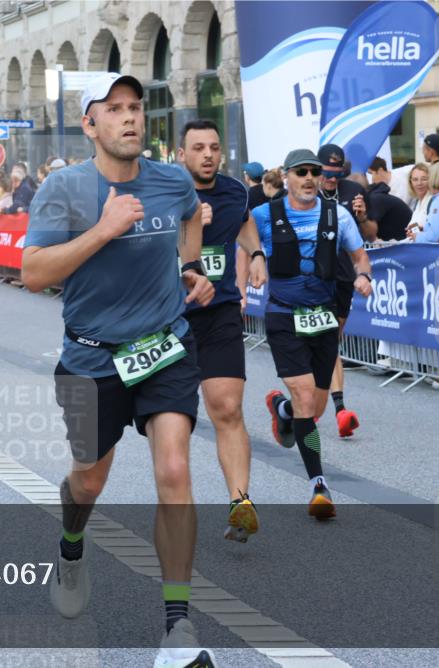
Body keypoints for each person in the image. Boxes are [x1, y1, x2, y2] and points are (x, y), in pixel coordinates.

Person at [22, 72, 216, 668]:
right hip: (91, 357)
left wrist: (188, 267)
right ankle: (71, 545)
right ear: (90, 124)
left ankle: (178, 628)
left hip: (163, 348)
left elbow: (190, 217)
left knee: (176, 470)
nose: (130, 118)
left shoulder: (171, 179)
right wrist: (104, 230)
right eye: (115, 109)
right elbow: (32, 271)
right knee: (88, 482)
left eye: (136, 107)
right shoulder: (64, 189)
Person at [259, 149, 372, 520]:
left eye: (314, 171)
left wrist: (363, 275)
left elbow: (360, 256)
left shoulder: (337, 215)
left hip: (322, 316)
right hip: (283, 313)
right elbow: (242, 245)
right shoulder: (264, 215)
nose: (309, 178)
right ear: (287, 177)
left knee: (315, 408)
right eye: (301, 172)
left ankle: (282, 409)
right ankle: (318, 485)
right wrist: (247, 271)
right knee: (308, 399)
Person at [178, 119, 267, 543]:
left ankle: (240, 502)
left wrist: (258, 252)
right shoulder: (164, 192)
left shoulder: (234, 191)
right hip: (170, 319)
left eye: (214, 147)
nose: (208, 154)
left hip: (221, 312)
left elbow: (245, 221)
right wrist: (186, 224)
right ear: (182, 155)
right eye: (198, 148)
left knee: (227, 408)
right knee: (173, 420)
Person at [317, 144, 370, 438]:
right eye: (327, 173)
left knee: (330, 342)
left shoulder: (353, 191)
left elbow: (371, 234)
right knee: (322, 341)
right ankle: (337, 409)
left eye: (337, 174)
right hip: (312, 280)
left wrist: (362, 218)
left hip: (342, 278)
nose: (331, 180)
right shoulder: (306, 191)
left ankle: (328, 407)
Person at [365, 157, 412, 241]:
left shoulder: (402, 174)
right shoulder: (377, 194)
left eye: (371, 174)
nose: (371, 180)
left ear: (380, 170)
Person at [406, 163, 431, 235]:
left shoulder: (434, 201)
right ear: (410, 182)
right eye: (415, 179)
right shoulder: (418, 202)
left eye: (424, 179)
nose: (419, 183)